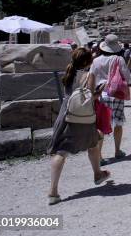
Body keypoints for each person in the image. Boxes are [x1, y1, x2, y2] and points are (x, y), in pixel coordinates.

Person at [48, 48, 111, 206]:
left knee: (62, 150)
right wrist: (99, 92)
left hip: (66, 114)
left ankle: (53, 191)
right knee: (93, 143)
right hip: (83, 116)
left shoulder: (68, 73)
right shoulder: (89, 75)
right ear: (87, 62)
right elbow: (88, 98)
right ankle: (97, 174)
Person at [89, 34, 131, 164]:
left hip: (101, 94)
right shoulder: (118, 59)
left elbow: (91, 77)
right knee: (118, 123)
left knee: (101, 126)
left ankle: (100, 156)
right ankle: (117, 150)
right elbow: (126, 75)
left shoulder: (95, 61)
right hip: (116, 94)